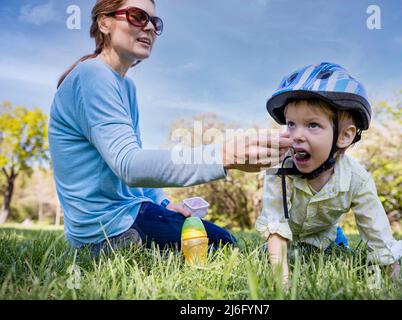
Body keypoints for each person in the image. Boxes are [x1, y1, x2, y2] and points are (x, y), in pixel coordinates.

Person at [48, 0, 292, 255]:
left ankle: (131, 240)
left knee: (219, 239)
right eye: (137, 16)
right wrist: (223, 156)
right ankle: (110, 245)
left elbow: (136, 156)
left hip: (126, 212)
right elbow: (129, 164)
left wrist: (164, 203)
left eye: (155, 22)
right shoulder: (92, 74)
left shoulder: (125, 86)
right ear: (104, 22)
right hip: (106, 224)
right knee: (225, 245)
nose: (150, 28)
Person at [255, 62, 402, 285]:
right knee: (269, 257)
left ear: (344, 136)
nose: (296, 135)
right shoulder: (278, 171)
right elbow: (275, 223)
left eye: (312, 125)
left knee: (338, 253)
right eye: (291, 124)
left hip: (324, 241)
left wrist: (395, 279)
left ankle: (338, 241)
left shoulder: (358, 179)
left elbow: (377, 231)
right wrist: (282, 284)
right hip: (285, 241)